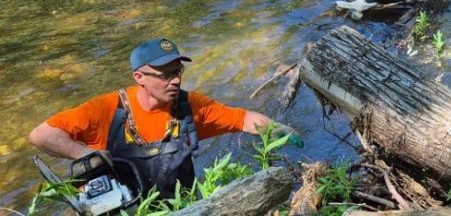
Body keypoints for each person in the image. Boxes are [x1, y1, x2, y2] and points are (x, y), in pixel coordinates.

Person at [28, 38, 301, 200]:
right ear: (140, 78)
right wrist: (85, 153)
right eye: (165, 74)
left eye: (178, 71)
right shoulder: (107, 109)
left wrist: (283, 131)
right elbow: (41, 135)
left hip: (183, 206)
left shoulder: (190, 106)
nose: (175, 80)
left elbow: (243, 119)